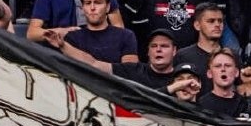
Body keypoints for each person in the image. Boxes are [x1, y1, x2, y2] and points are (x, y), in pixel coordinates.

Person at [46, 27, 178, 89]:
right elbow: (93, 64)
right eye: (154, 46)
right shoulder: (133, 71)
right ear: (148, 52)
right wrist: (63, 45)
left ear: (174, 51)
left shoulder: (182, 77)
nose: (158, 49)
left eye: (164, 46)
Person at [63, 0, 139, 63]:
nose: (92, 8)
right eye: (88, 3)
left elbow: (129, 68)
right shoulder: (72, 38)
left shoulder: (125, 36)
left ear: (108, 7)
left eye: (98, 2)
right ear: (82, 8)